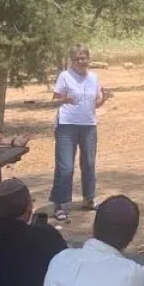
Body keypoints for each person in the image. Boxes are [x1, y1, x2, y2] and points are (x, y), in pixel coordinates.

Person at [49, 44, 107, 222]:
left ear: (88, 59)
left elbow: (96, 101)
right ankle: (61, 203)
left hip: (88, 124)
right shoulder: (65, 76)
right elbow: (55, 100)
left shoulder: (94, 78)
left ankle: (89, 199)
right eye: (77, 59)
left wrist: (103, 99)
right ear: (72, 61)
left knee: (89, 163)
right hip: (67, 124)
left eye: (83, 58)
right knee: (66, 166)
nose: (81, 61)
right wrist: (64, 99)